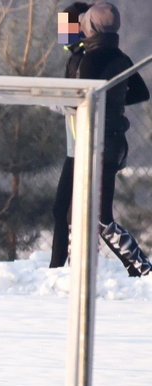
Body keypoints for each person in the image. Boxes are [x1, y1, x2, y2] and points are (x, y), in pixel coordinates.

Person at [49, 1, 150, 276]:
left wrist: (54, 102)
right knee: (68, 211)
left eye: (72, 26)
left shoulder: (89, 59)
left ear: (87, 27)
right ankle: (70, 269)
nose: (68, 32)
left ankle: (142, 267)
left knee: (99, 218)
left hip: (98, 144)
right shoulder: (118, 56)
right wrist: (112, 100)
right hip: (103, 143)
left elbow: (81, 98)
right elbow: (140, 92)